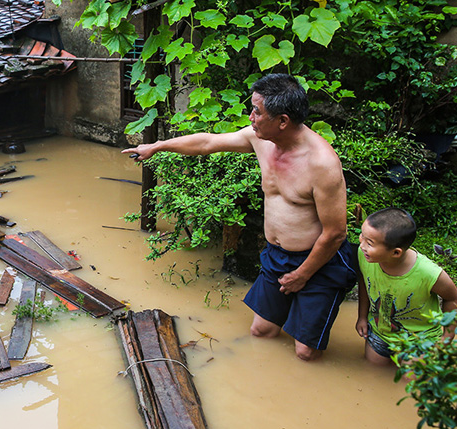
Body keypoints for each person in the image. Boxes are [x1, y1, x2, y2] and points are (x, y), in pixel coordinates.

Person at [122, 73, 357, 361]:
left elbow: (335, 233)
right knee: (262, 332)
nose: (251, 116)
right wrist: (157, 146)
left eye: (257, 111)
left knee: (305, 352)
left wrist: (301, 275)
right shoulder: (261, 140)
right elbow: (207, 143)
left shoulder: (322, 164)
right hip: (278, 256)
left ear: (282, 121)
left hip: (319, 262)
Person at [356, 208, 457, 367]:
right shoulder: (365, 256)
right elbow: (364, 282)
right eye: (362, 235)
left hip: (421, 339)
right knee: (373, 370)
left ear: (396, 253)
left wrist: (446, 340)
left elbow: (452, 298)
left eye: (369, 243)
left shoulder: (428, 273)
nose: (361, 244)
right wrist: (362, 317)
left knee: (412, 380)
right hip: (380, 334)